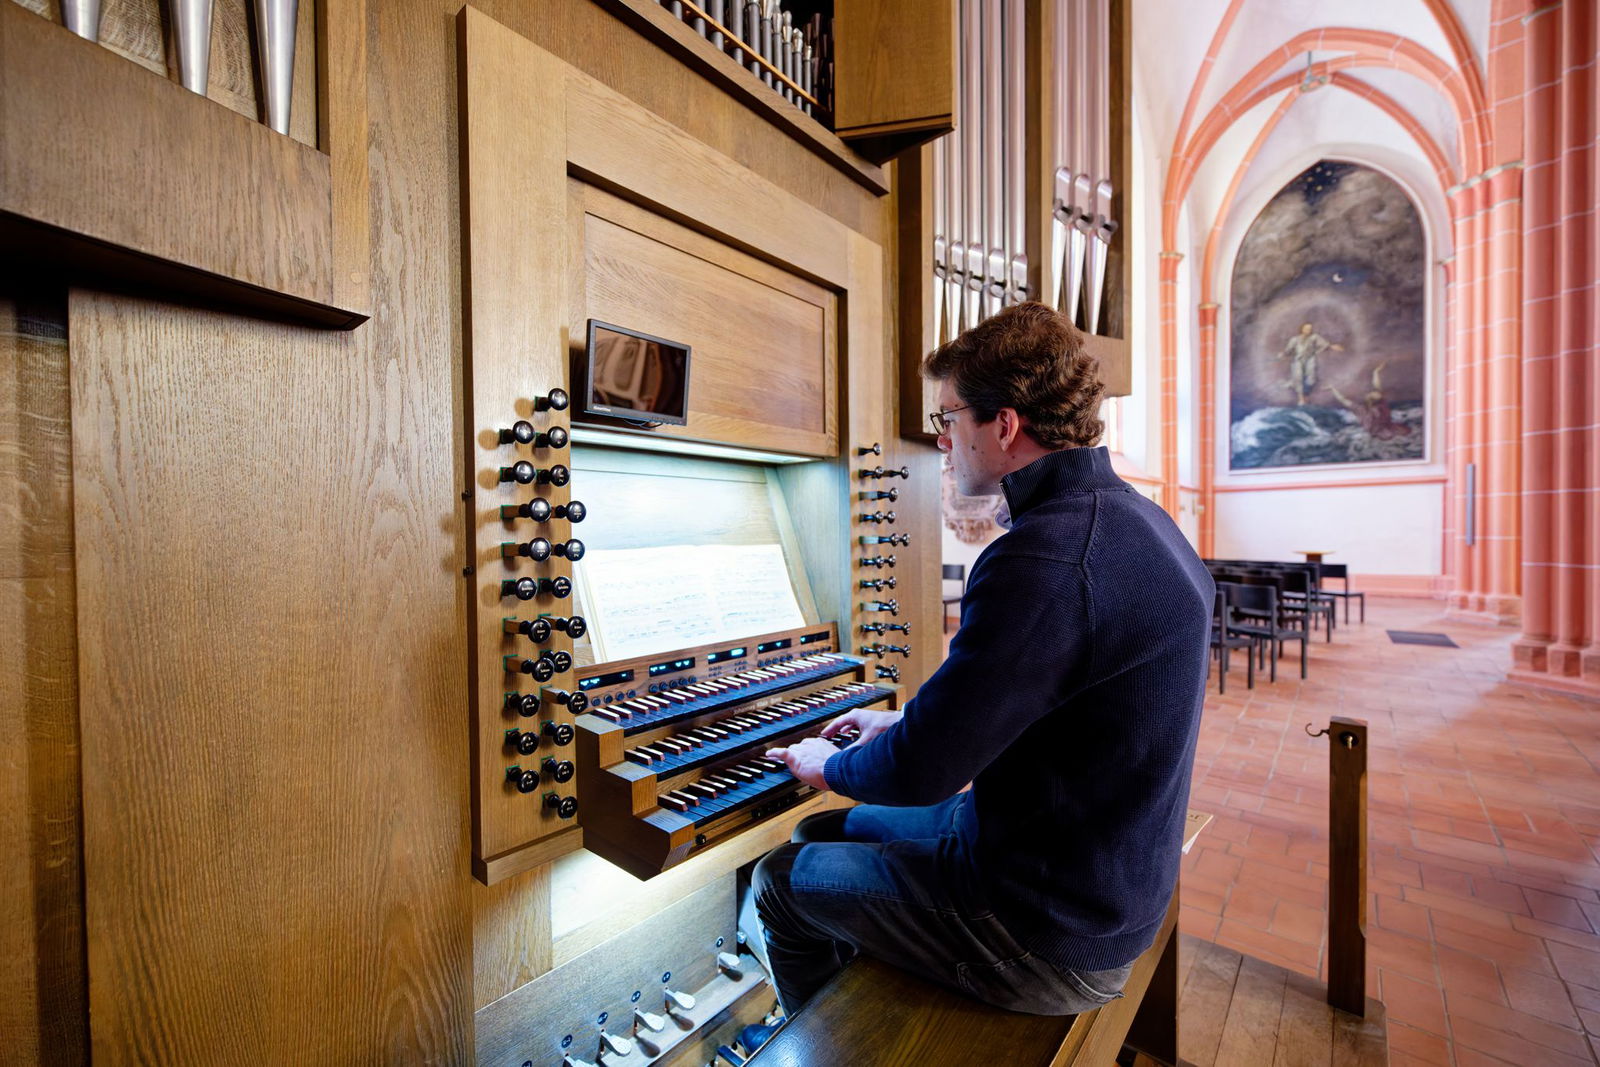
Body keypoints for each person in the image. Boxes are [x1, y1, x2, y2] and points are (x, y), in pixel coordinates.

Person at [752, 301, 1214, 1021]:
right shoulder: (1142, 523)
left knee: (779, 879)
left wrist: (827, 764)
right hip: (1090, 875)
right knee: (825, 831)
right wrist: (902, 723)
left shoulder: (1045, 556)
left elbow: (923, 771)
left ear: (1003, 425)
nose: (942, 441)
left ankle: (854, 1039)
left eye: (949, 418)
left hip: (1046, 931)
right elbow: (1023, 702)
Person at [1278, 322, 1344, 406]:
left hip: (1310, 359)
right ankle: (1301, 398)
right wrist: (1282, 354)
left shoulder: (1314, 337)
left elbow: (1325, 344)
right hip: (1298, 360)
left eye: (1310, 329)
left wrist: (1333, 347)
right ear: (1302, 329)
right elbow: (1288, 350)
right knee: (1298, 377)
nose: (1308, 330)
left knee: (1311, 379)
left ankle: (1305, 396)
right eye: (1306, 329)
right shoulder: (1294, 339)